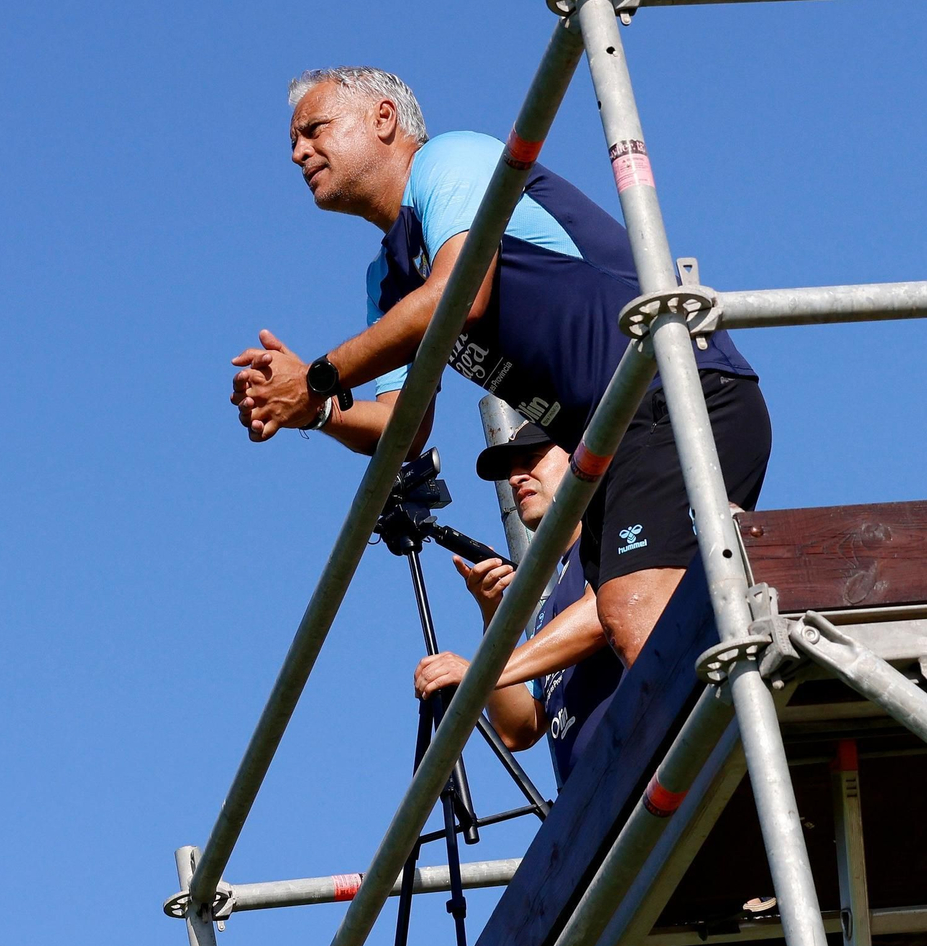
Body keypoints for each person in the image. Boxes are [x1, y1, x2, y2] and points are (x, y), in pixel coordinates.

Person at [230, 66, 772, 665]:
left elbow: (461, 294)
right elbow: (402, 428)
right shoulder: (385, 277)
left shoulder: (449, 161)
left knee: (634, 606)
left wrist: (316, 379)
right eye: (293, 143)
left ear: (383, 119)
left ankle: (744, 752)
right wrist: (319, 409)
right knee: (625, 631)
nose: (299, 152)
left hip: (675, 391)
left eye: (313, 129)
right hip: (614, 447)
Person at [411, 421, 624, 788]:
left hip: (655, 770)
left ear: (580, 453)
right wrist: (494, 614)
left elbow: (606, 610)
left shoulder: (615, 524)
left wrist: (481, 671)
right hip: (597, 808)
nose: (515, 479)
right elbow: (519, 730)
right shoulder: (552, 604)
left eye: (530, 458)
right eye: (510, 471)